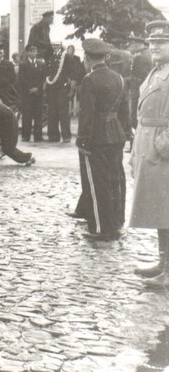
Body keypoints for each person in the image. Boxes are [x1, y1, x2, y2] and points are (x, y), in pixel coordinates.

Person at [74, 39, 131, 240]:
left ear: (87, 58)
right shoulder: (119, 78)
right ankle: (116, 222)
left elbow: (86, 113)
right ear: (105, 57)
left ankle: (100, 228)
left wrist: (82, 140)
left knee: (97, 183)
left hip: (96, 136)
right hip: (116, 134)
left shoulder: (90, 79)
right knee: (115, 179)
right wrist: (126, 132)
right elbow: (125, 110)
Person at [129, 19, 169, 287]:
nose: (154, 46)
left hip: (163, 150)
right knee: (160, 210)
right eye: (152, 43)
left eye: (161, 43)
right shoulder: (157, 72)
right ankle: (164, 262)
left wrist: (164, 142)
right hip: (149, 146)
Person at [45, 46, 73, 143]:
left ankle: (66, 136)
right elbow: (48, 71)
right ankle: (53, 136)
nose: (55, 47)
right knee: (52, 112)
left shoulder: (66, 56)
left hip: (62, 87)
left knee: (63, 112)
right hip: (52, 86)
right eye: (54, 45)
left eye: (57, 45)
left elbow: (70, 72)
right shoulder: (51, 57)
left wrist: (69, 87)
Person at [18, 43, 46, 142]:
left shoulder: (41, 64)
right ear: (27, 52)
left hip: (38, 94)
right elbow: (21, 79)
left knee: (38, 115)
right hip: (27, 93)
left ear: (37, 52)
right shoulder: (23, 64)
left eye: (35, 51)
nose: (33, 53)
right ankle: (26, 136)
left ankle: (38, 136)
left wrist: (37, 88)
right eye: (31, 51)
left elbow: (43, 79)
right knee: (27, 115)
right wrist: (30, 88)